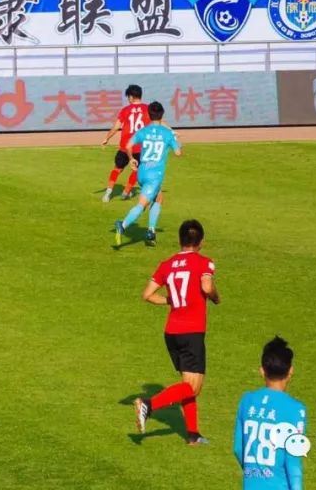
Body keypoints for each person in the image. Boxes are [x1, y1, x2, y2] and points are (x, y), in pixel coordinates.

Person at [133, 219, 219, 445]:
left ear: (180, 240)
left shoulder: (167, 264)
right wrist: (215, 297)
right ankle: (148, 405)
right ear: (201, 242)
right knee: (192, 387)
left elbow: (147, 295)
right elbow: (207, 287)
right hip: (192, 331)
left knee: (187, 384)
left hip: (172, 332)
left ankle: (193, 435)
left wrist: (169, 300)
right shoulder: (204, 262)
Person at [233, 337, 307, 490]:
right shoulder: (295, 409)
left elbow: (238, 448)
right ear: (291, 371)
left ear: (262, 371)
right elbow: (293, 461)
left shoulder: (247, 401)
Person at [115, 101, 182, 247]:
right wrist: (176, 139)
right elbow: (178, 153)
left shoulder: (143, 131)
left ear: (148, 115)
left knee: (158, 198)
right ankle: (123, 225)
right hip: (154, 175)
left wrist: (131, 159)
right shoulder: (167, 133)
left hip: (142, 171)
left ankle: (151, 231)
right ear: (162, 115)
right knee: (142, 205)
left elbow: (128, 145)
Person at [101, 84, 149, 202]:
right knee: (136, 170)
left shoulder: (125, 110)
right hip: (140, 147)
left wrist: (107, 138)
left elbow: (116, 127)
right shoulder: (147, 109)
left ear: (131, 97)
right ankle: (126, 192)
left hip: (125, 146)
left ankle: (108, 193)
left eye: (128, 97)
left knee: (117, 169)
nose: (128, 99)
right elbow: (158, 122)